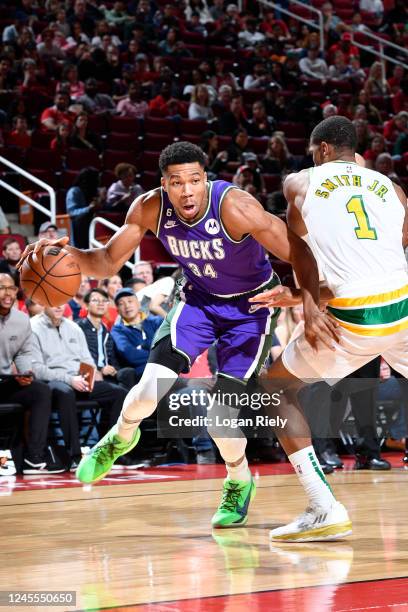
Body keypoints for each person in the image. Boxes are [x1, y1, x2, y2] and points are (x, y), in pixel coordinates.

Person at [19, 141, 334, 529]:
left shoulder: (236, 207)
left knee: (221, 418)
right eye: (176, 182)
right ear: (164, 184)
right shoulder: (150, 208)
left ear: (206, 179)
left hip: (250, 310)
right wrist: (61, 257)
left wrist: (308, 300)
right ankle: (121, 437)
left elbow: (298, 250)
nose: (186, 190)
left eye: (195, 180)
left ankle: (238, 479)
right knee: (147, 390)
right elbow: (105, 261)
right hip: (198, 303)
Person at [249, 116, 408, 541]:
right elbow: (384, 255)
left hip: (355, 313)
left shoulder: (300, 181)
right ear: (356, 154)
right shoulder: (393, 190)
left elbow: (297, 242)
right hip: (403, 305)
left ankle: (324, 507)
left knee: (277, 387)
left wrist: (307, 297)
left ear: (320, 150)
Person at [30, 304, 129, 470]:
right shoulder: (33, 327)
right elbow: (37, 369)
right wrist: (70, 379)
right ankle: (74, 456)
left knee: (120, 393)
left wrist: (87, 379)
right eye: (55, 301)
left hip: (80, 379)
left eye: (62, 301)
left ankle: (112, 452)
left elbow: (87, 360)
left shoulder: (73, 327)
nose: (59, 305)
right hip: (53, 382)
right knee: (66, 392)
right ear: (44, 302)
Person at [0, 273, 63, 474]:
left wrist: (25, 371)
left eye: (11, 288)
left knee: (41, 391)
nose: (7, 293)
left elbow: (24, 351)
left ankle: (33, 457)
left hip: (6, 380)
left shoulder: (21, 319)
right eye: (2, 287)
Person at [77, 288, 137, 390]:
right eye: (95, 300)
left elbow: (112, 358)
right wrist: (99, 368)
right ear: (86, 306)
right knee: (119, 393)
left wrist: (115, 370)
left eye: (104, 301)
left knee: (128, 373)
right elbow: (75, 355)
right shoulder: (78, 328)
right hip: (88, 373)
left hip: (107, 374)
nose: (101, 303)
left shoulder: (106, 330)